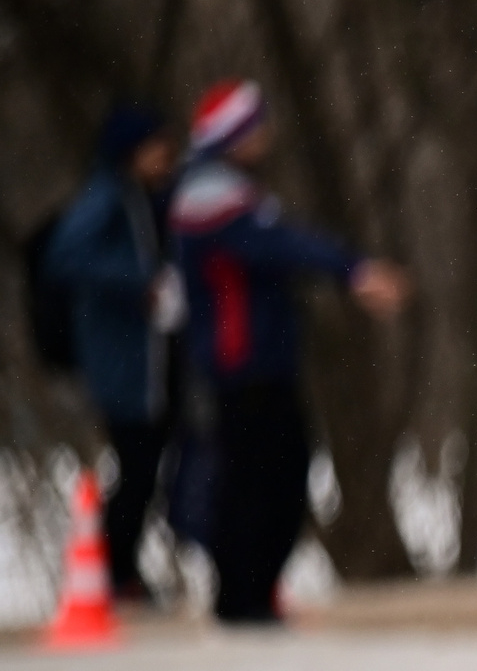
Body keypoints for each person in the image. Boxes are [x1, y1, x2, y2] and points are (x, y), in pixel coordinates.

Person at [170, 80, 407, 624]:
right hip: (239, 362)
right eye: (257, 126)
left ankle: (251, 592)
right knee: (260, 477)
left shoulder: (225, 189)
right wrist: (351, 268)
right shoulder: (210, 196)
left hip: (257, 360)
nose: (268, 135)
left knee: (274, 473)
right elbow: (279, 245)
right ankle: (243, 597)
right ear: (234, 134)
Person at [44, 103, 183, 601]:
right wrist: (141, 281)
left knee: (149, 463)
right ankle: (113, 570)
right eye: (156, 147)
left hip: (147, 358)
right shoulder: (105, 196)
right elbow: (66, 255)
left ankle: (120, 569)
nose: (166, 156)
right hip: (120, 362)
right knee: (138, 464)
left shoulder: (142, 197)